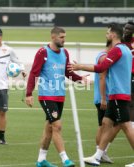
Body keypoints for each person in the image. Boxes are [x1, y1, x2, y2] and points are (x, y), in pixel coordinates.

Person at [67, 23, 134, 167]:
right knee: (106, 123)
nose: (106, 34)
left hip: (118, 94)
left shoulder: (117, 50)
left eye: (108, 32)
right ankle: (97, 156)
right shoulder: (127, 49)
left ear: (114, 34)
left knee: (126, 126)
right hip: (118, 94)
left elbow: (101, 68)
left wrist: (79, 67)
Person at [25, 27, 89, 167]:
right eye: (61, 37)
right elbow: (34, 73)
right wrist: (29, 93)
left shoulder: (64, 52)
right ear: (53, 37)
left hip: (60, 95)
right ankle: (65, 159)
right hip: (47, 95)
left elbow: (67, 72)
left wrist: (80, 79)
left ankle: (41, 160)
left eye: (64, 37)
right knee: (57, 126)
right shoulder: (43, 52)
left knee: (49, 127)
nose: (64, 39)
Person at [92, 41, 120, 164]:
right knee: (108, 125)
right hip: (104, 98)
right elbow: (102, 77)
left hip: (105, 97)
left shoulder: (104, 56)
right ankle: (100, 153)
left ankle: (100, 152)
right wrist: (104, 98)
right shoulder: (104, 56)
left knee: (105, 125)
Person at [123, 22, 134, 126]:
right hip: (123, 74)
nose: (126, 30)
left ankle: (131, 124)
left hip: (132, 74)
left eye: (129, 29)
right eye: (125, 28)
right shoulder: (120, 43)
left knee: (131, 100)